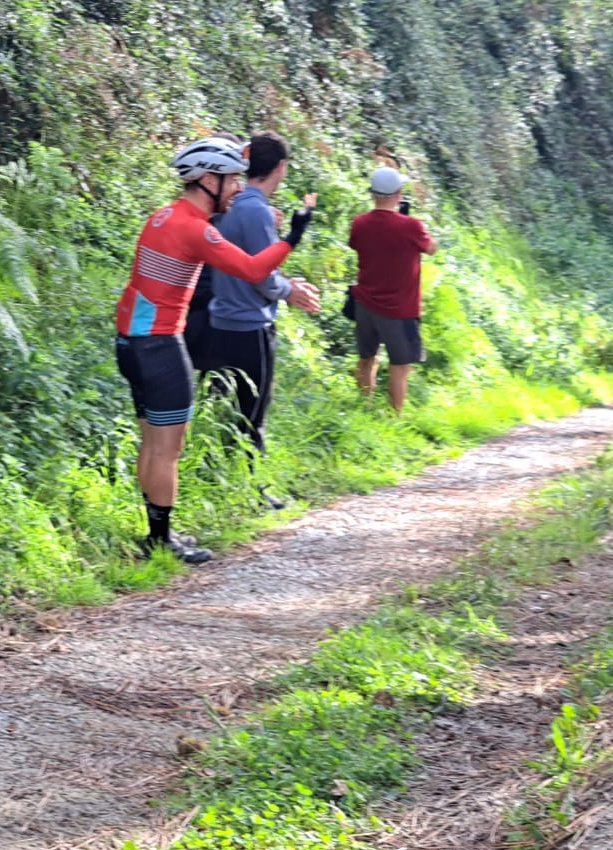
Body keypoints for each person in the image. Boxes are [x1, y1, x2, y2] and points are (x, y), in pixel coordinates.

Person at [115, 137, 312, 564]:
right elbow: (255, 268)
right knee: (168, 448)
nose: (239, 189)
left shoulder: (163, 216)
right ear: (208, 180)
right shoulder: (195, 227)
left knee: (151, 443)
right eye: (232, 181)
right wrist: (294, 234)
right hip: (160, 344)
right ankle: (160, 541)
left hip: (131, 341)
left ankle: (156, 532)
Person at [189, 131, 321, 510]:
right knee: (252, 413)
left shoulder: (228, 208)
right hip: (250, 327)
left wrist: (282, 282)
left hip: (219, 323)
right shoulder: (256, 210)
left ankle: (214, 479)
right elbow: (261, 275)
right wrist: (288, 290)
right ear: (280, 167)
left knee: (218, 406)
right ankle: (251, 492)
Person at [347, 166, 438, 413]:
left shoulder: (359, 224)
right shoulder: (411, 227)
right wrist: (415, 225)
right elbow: (431, 248)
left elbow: (357, 244)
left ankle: (365, 406)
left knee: (366, 358)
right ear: (399, 193)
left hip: (365, 304)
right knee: (401, 367)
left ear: (372, 194)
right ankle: (395, 417)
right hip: (400, 310)